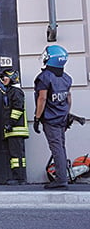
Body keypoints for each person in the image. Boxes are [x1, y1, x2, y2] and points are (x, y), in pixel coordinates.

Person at [34, 45, 72, 190]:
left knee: (57, 149)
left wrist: (37, 118)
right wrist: (67, 114)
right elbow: (68, 98)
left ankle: (61, 180)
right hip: (62, 118)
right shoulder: (66, 78)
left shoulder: (44, 77)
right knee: (61, 147)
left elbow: (42, 99)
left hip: (51, 120)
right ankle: (62, 177)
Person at [0, 69, 29, 185]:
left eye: (5, 78)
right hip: (13, 129)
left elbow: (18, 108)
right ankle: (17, 177)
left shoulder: (16, 91)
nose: (3, 80)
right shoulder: (10, 91)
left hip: (16, 128)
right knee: (15, 156)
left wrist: (11, 123)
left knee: (18, 156)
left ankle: (20, 178)